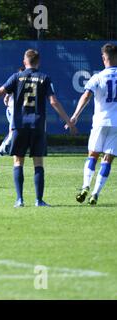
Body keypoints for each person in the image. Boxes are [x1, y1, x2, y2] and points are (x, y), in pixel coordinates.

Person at [0, 49, 77, 207]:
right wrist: (69, 121)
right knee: (38, 163)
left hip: (19, 125)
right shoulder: (45, 78)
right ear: (39, 62)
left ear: (25, 62)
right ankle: (38, 200)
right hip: (37, 125)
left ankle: (19, 200)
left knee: (18, 162)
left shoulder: (16, 77)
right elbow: (54, 101)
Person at [70, 43, 117, 205]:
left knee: (93, 155)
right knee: (108, 159)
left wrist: (75, 115)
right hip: (116, 124)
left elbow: (86, 96)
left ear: (104, 58)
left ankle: (85, 186)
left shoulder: (98, 77)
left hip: (99, 121)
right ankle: (95, 193)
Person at [0, 67, 25, 157]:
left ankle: (4, 149)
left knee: (15, 131)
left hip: (18, 112)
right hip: (13, 111)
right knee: (13, 131)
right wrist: (9, 104)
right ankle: (3, 149)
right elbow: (5, 99)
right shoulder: (15, 83)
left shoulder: (27, 85)